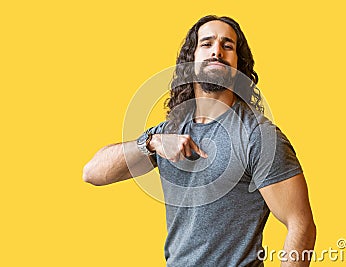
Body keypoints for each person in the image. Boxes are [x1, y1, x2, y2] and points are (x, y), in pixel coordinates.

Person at [83, 15, 316, 267]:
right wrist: (151, 143)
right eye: (206, 44)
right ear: (190, 61)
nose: (217, 51)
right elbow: (92, 172)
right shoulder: (169, 131)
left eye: (227, 46)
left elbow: (301, 225)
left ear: (238, 65)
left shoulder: (258, 136)